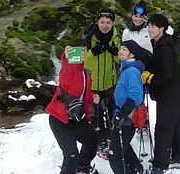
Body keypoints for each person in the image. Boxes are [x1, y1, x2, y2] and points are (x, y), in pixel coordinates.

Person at [142, 13, 180, 174]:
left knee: (163, 128)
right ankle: (179, 154)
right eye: (148, 26)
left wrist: (150, 78)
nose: (149, 29)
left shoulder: (166, 48)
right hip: (173, 95)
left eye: (153, 26)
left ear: (162, 29)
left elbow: (167, 74)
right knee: (176, 124)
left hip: (168, 95)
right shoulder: (162, 44)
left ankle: (160, 165)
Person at [46, 46, 99, 174]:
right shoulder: (69, 69)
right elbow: (65, 71)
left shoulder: (86, 73)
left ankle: (82, 167)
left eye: (84, 51)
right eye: (78, 51)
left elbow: (82, 95)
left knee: (92, 139)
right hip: (60, 119)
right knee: (71, 155)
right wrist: (66, 58)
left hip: (76, 119)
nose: (81, 54)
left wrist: (92, 97)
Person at [82, 10, 121, 142]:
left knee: (112, 112)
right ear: (97, 22)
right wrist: (93, 52)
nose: (105, 25)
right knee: (95, 115)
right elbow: (81, 61)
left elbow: (120, 61)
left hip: (111, 83)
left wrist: (115, 53)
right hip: (93, 84)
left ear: (113, 23)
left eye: (108, 23)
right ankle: (100, 140)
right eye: (102, 22)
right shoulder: (88, 38)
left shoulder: (117, 38)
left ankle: (113, 138)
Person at [109, 41, 147, 174]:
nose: (120, 51)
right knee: (122, 148)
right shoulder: (125, 69)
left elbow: (136, 97)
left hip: (126, 118)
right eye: (120, 48)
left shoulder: (131, 71)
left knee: (115, 155)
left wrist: (121, 114)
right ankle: (137, 169)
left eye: (124, 49)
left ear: (132, 54)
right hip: (122, 116)